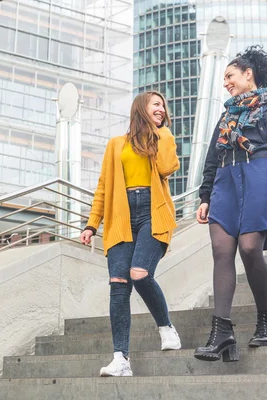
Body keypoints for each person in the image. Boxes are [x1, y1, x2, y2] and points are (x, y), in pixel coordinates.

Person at [193, 45, 267, 362]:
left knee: (250, 248)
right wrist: (205, 196)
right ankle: (221, 331)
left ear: (248, 74)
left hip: (258, 177)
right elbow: (212, 158)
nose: (225, 82)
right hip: (225, 182)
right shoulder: (225, 117)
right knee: (221, 251)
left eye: (229, 76)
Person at [80, 91, 182, 377]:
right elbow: (103, 187)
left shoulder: (162, 138)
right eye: (156, 104)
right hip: (121, 217)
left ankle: (166, 326)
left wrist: (160, 133)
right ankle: (121, 358)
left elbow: (167, 167)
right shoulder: (115, 145)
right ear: (141, 108)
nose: (162, 108)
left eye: (163, 105)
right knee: (119, 284)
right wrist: (91, 224)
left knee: (139, 273)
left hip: (153, 211)